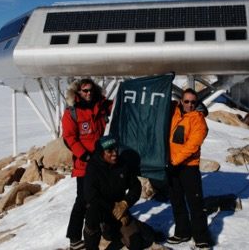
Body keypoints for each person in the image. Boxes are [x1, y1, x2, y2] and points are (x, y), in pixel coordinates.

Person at [83, 135, 161, 250]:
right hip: (102, 211)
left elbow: (136, 187)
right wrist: (114, 208)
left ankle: (135, 232)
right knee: (91, 213)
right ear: (101, 153)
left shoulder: (122, 165)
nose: (114, 153)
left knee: (137, 242)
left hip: (121, 212)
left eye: (116, 149)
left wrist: (125, 203)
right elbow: (90, 195)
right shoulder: (93, 167)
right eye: (110, 151)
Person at [62, 79, 113, 250]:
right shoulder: (72, 112)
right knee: (83, 200)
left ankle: (103, 229)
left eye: (90, 90)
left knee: (103, 197)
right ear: (78, 92)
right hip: (84, 165)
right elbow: (69, 138)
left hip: (101, 163)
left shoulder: (101, 106)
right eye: (84, 91)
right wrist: (85, 156)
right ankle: (75, 237)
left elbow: (121, 106)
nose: (88, 93)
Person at [166, 88, 212, 249]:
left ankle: (201, 237)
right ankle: (182, 231)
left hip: (188, 167)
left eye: (193, 102)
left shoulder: (199, 120)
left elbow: (192, 146)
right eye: (186, 101)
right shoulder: (175, 113)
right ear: (181, 101)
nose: (190, 105)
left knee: (195, 203)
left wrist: (174, 161)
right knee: (176, 201)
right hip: (172, 165)